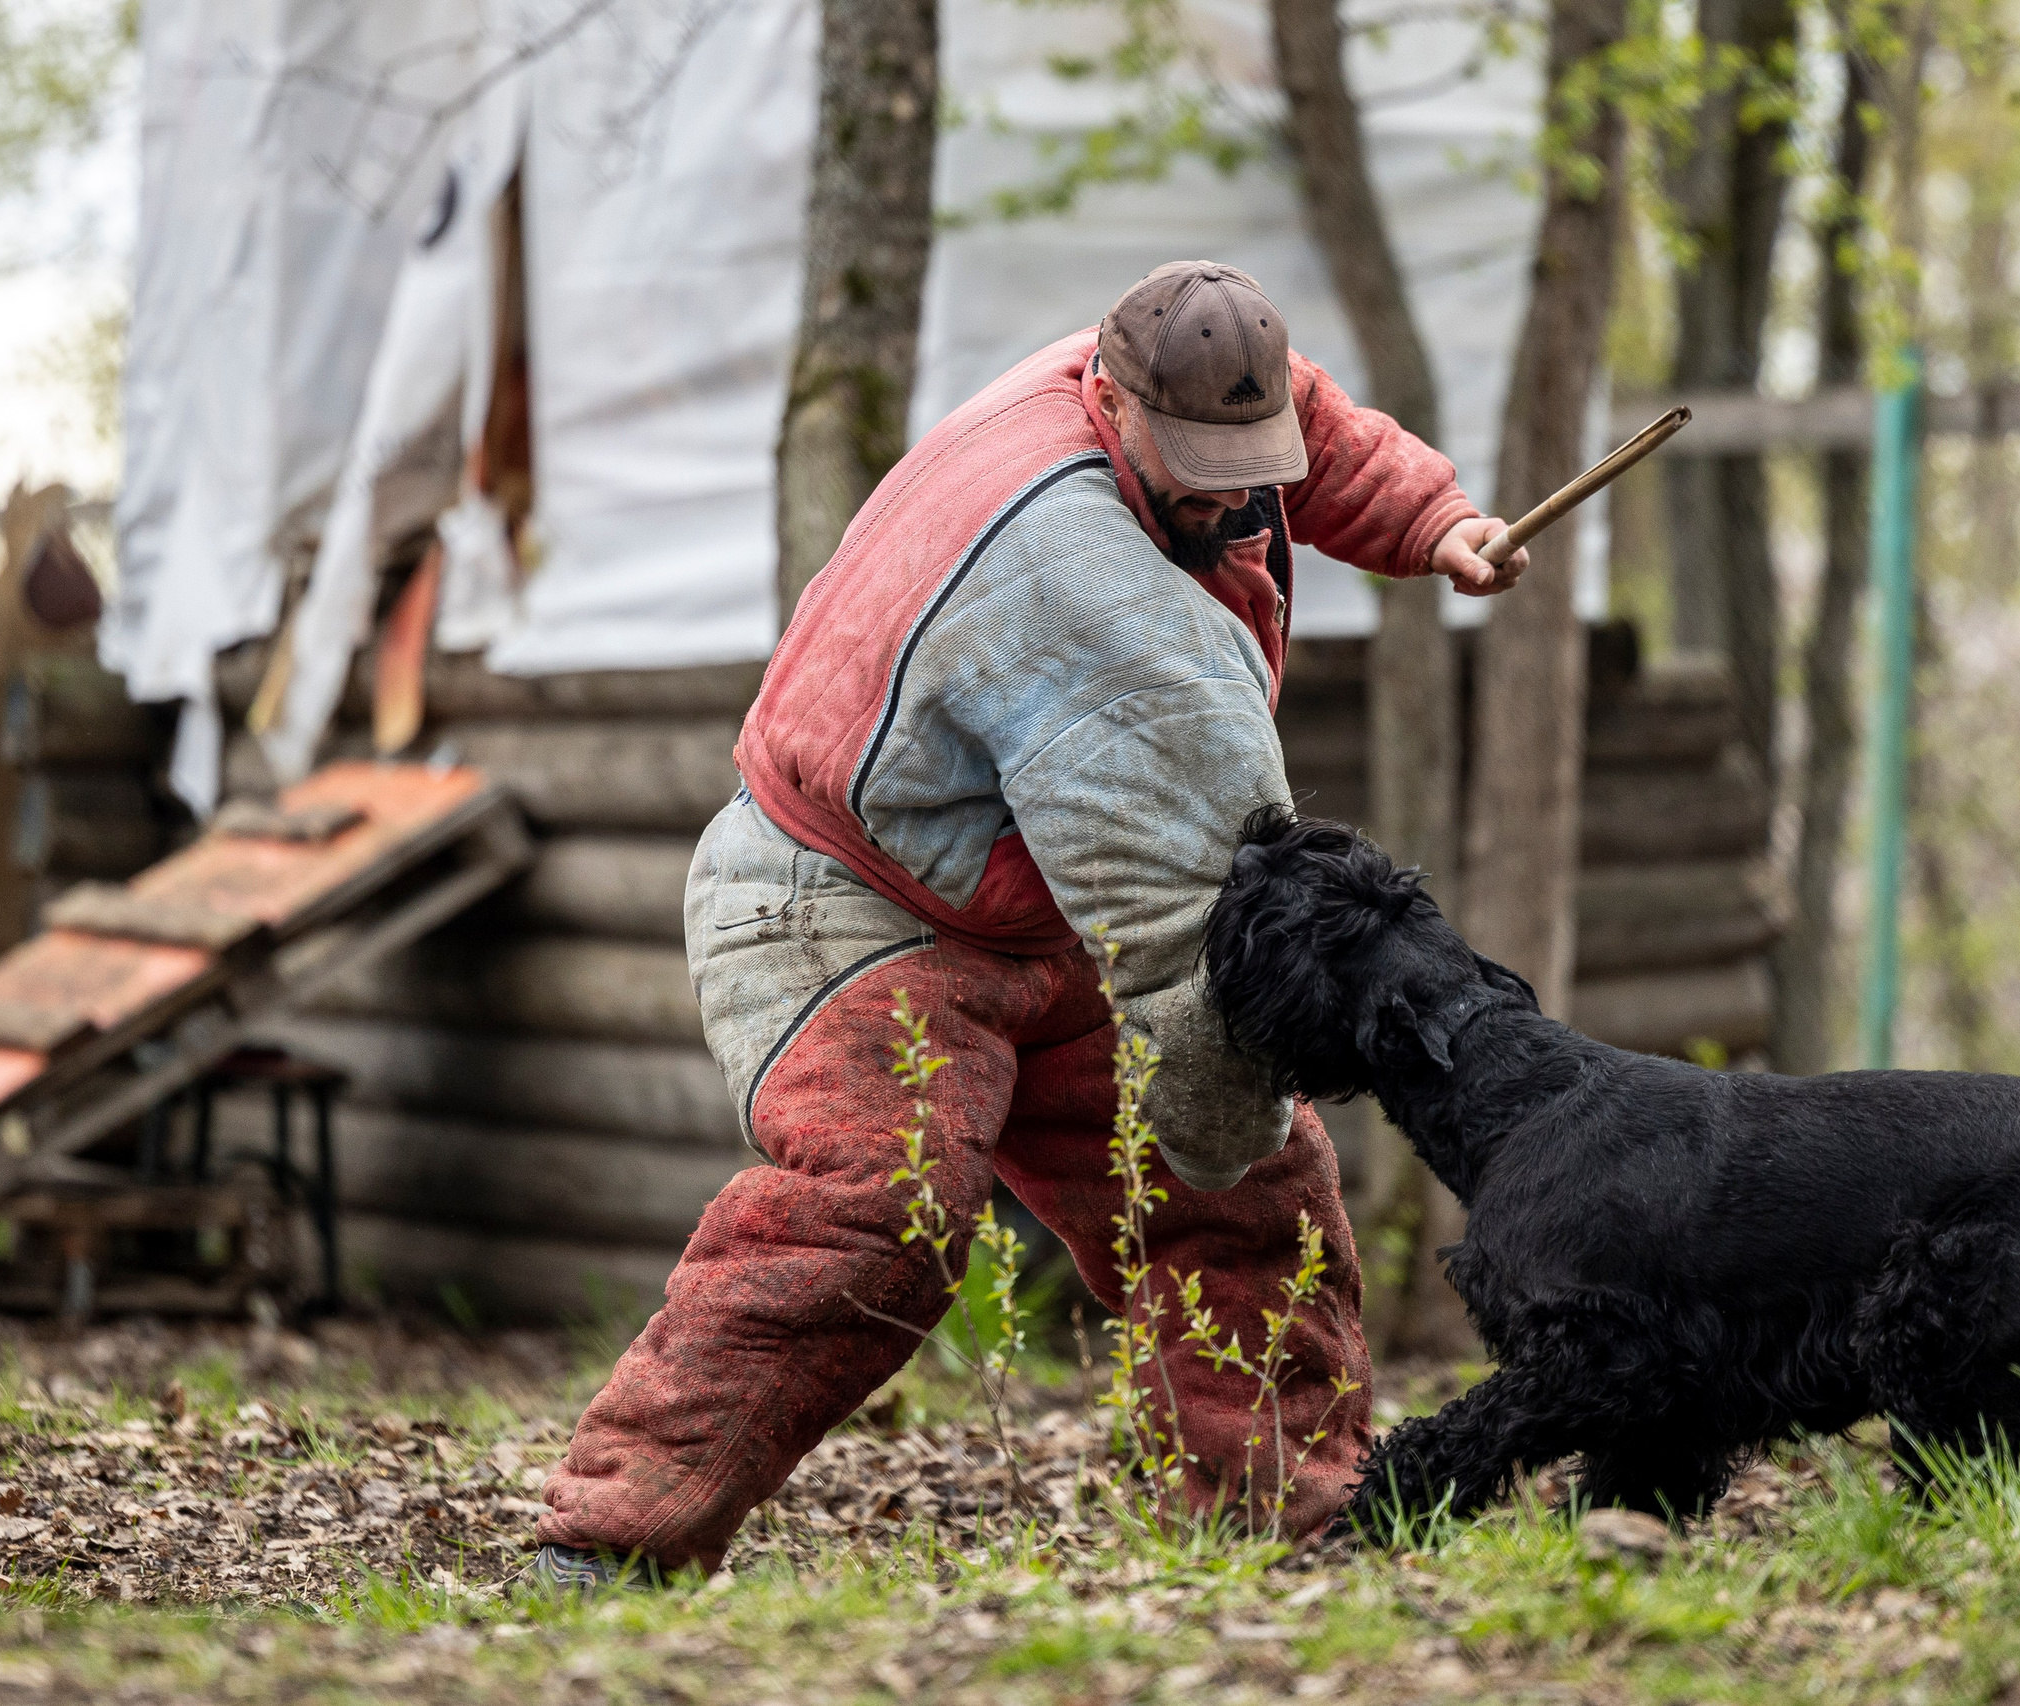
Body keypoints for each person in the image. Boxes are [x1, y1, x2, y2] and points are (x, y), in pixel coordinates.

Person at [532, 260, 1527, 1584]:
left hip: (1027, 894)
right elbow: (1199, 950)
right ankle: (615, 1535)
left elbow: (1316, 427)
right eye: (1203, 466)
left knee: (1251, 1199)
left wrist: (1435, 520)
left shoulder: (1169, 377)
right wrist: (1227, 1125)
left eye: (1254, 460)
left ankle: (1287, 1513)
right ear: (1109, 400)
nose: (1238, 495)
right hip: (844, 900)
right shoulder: (1086, 587)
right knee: (885, 1200)